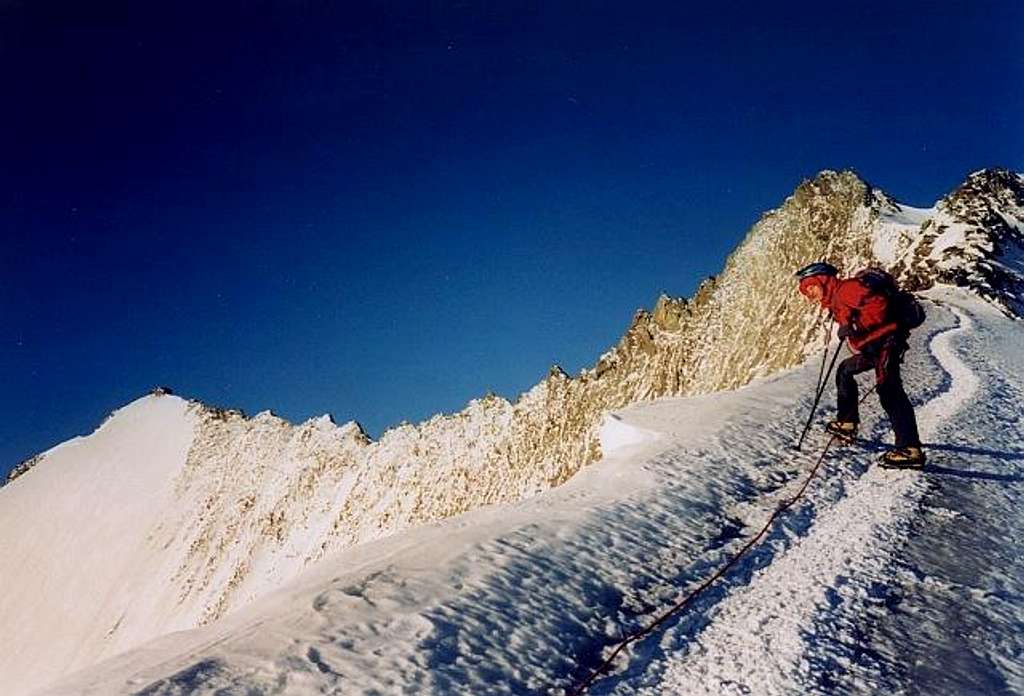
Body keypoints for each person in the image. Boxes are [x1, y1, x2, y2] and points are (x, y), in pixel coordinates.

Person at [795, 261, 925, 468]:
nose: (809, 293)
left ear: (823, 280)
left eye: (811, 286)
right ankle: (847, 422)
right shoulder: (836, 300)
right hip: (873, 347)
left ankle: (910, 449)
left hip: (887, 342)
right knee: (845, 370)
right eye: (805, 290)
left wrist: (852, 325)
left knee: (889, 390)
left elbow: (879, 304)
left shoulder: (847, 289)